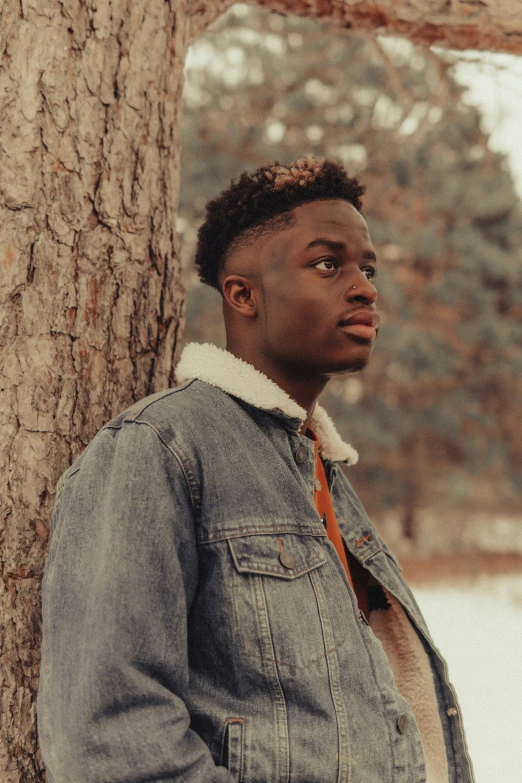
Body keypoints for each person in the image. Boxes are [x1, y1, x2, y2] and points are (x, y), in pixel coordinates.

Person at [37, 156, 475, 783]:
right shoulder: (157, 449)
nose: (366, 287)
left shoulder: (320, 466)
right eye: (328, 264)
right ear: (243, 294)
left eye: (368, 267)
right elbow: (110, 740)